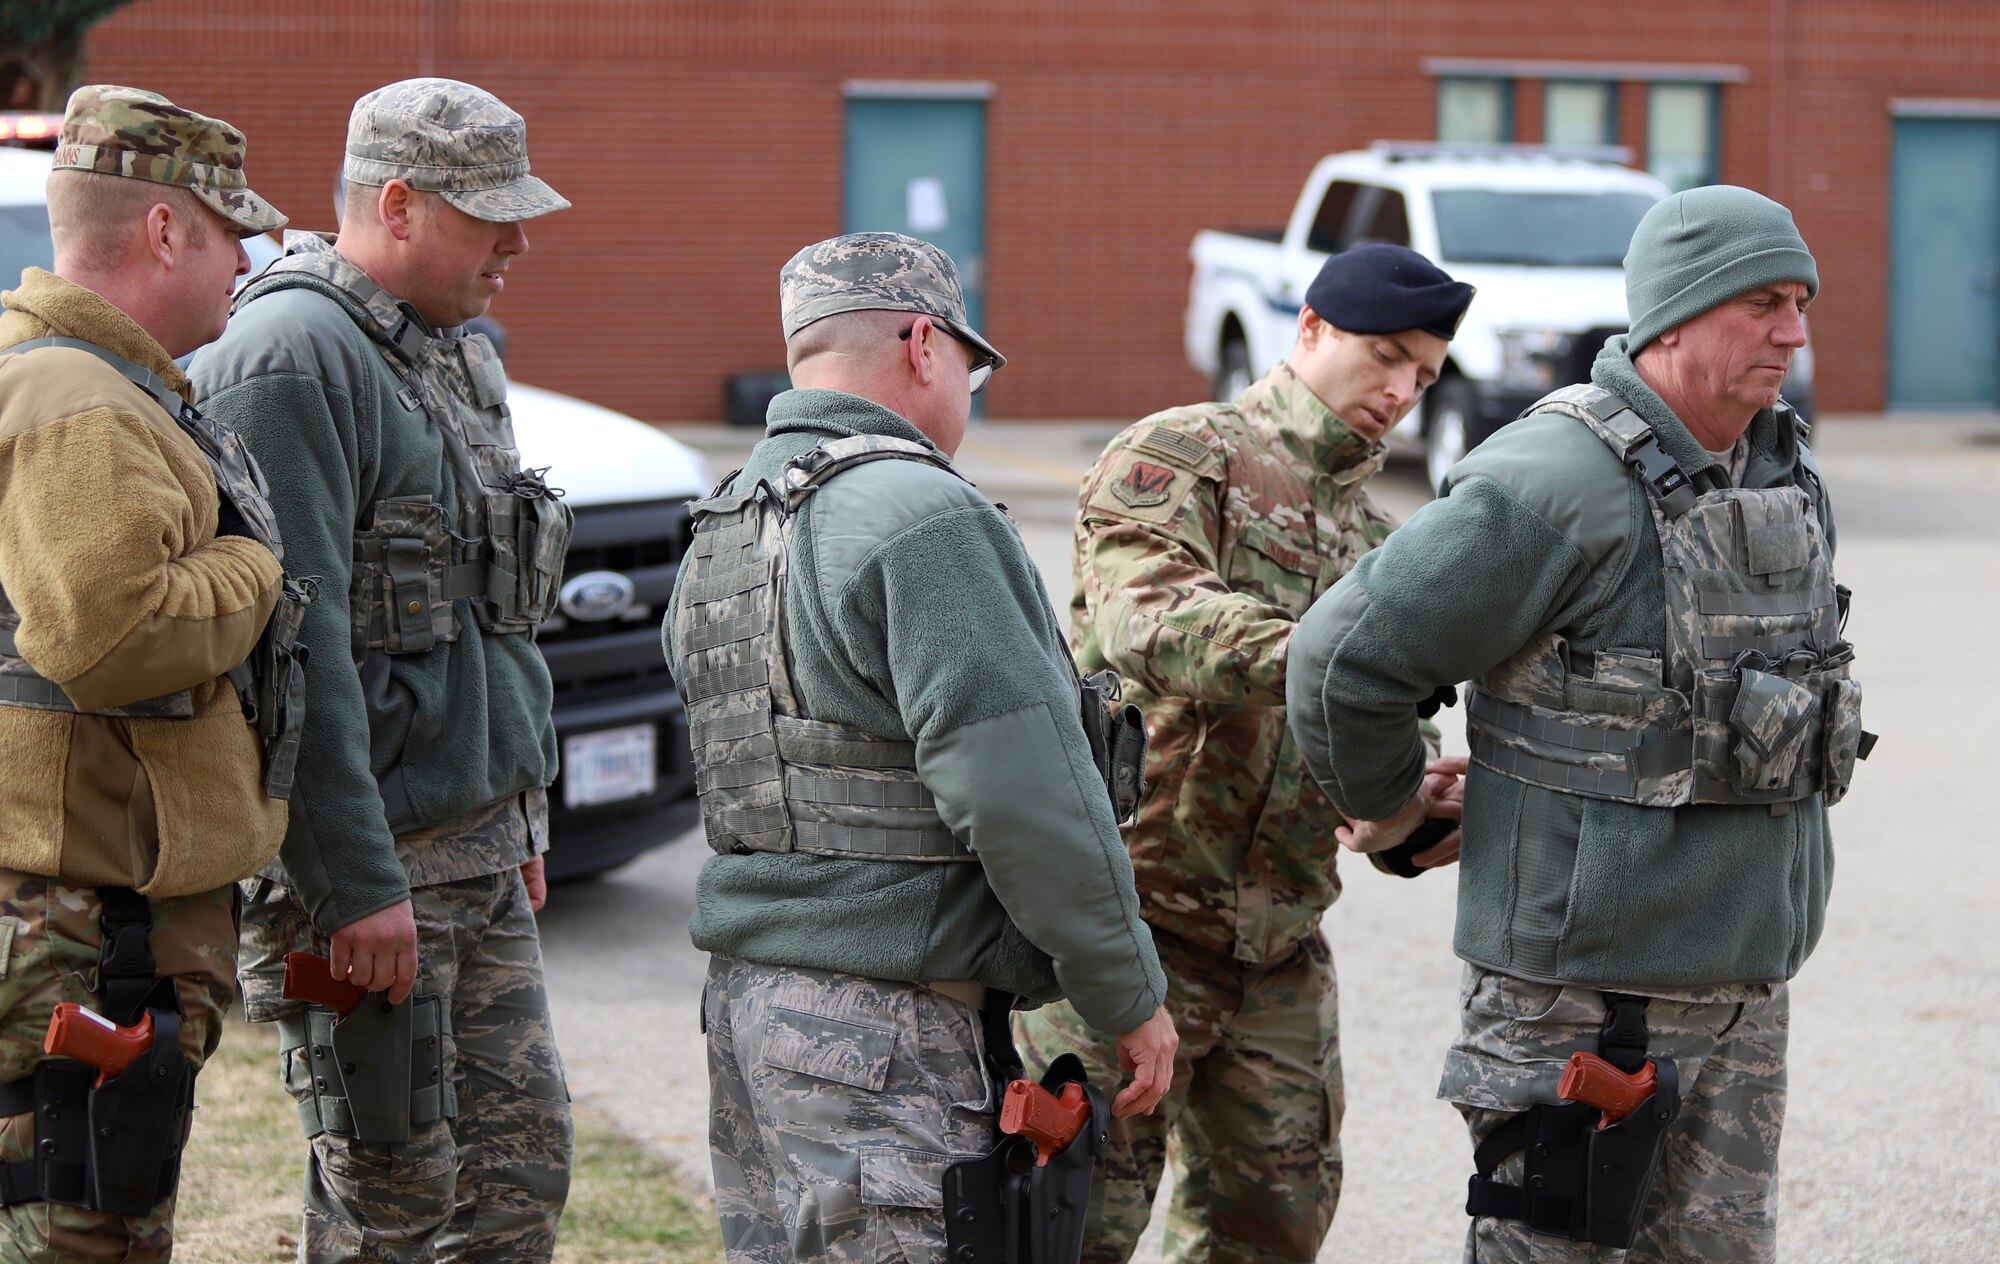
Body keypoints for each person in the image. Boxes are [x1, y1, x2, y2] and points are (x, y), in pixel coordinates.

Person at [1287, 186, 1867, 1263]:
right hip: (1582, 1013)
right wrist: (1391, 810)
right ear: (1676, 316)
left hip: (1739, 1004)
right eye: (1763, 304)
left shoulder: (1778, 469)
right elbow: (1342, 658)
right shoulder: (1555, 478)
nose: (1792, 330)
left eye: (1798, 302)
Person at [664, 230, 1177, 1263]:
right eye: (970, 367)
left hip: (751, 1015)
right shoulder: (922, 516)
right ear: (922, 342)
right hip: (888, 1035)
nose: (969, 394)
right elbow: (1027, 795)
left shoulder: (723, 523)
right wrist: (1128, 993)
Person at [1012, 243, 1474, 1263]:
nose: (1398, 390)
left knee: (1270, 1234)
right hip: (1126, 927)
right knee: (1064, 1228)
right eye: (1383, 354)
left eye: (1424, 376)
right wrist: (1338, 672)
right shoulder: (1182, 454)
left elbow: (1390, 732)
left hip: (1276, 948)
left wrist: (1405, 808)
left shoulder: (1385, 541)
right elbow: (1146, 620)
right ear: (1307, 327)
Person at [191, 78, 574, 1262]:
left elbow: (476, 609)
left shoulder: (439, 348)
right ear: (397, 204)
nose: (515, 243)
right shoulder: (291, 354)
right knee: (388, 1216)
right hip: (372, 874)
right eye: (487, 214)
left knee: (513, 1186)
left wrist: (520, 813)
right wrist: (352, 881)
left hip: (471, 848)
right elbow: (290, 649)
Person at [0, 85, 297, 1260]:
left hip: (106, 913)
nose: (249, 257)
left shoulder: (110, 386)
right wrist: (253, 569)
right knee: (79, 1225)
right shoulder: (77, 402)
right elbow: (107, 636)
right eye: (232, 231)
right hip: (85, 924)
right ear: (167, 230)